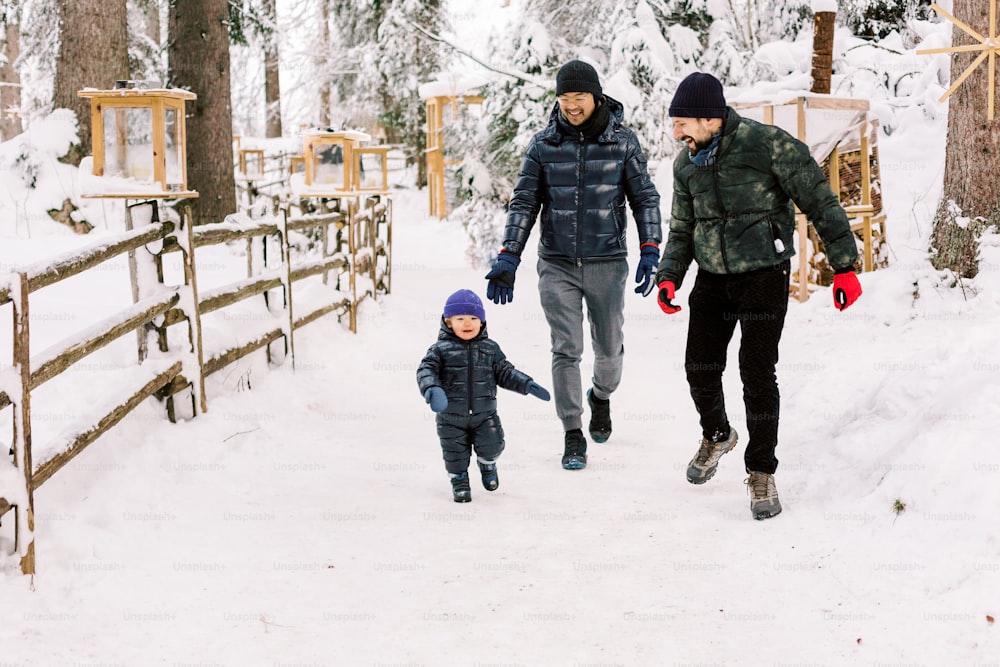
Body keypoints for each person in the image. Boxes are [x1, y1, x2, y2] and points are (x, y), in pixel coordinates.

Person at [655, 72, 863, 520]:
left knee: (756, 371)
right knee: (699, 367)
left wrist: (844, 266)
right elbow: (681, 229)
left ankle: (761, 470)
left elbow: (820, 201)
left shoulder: (768, 144)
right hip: (712, 277)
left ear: (710, 118)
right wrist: (670, 274)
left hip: (764, 274)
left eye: (683, 123)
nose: (677, 133)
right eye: (674, 124)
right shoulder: (685, 165)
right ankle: (717, 434)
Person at [484, 59, 662, 471]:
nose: (571, 107)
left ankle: (600, 396)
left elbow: (645, 198)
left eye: (578, 98)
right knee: (566, 349)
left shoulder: (623, 142)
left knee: (608, 349)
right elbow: (524, 201)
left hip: (607, 261)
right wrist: (509, 255)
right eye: (564, 99)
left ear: (596, 96)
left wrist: (650, 246)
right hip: (557, 263)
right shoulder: (544, 144)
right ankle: (572, 433)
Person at [417, 289, 551, 502]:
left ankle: (487, 463)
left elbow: (504, 371)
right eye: (460, 318)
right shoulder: (440, 350)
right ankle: (459, 481)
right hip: (450, 418)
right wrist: (431, 388)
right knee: (455, 455)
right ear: (449, 322)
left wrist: (526, 383)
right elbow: (426, 370)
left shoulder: (490, 348)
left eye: (473, 318)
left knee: (494, 444)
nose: (467, 323)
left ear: (482, 322)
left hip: (485, 415)